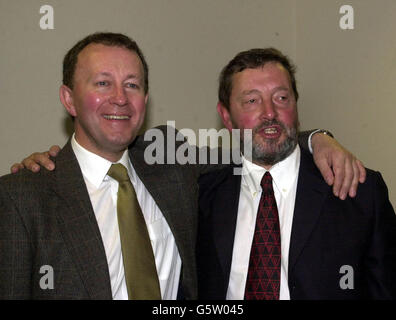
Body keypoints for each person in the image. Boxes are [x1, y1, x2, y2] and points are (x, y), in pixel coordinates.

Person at [2, 32, 365, 300]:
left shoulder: (171, 162)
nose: (119, 98)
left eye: (132, 85)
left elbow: (256, 143)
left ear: (145, 99)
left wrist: (317, 139)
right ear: (69, 98)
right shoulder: (22, 197)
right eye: (102, 83)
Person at [196, 48, 396, 300]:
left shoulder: (358, 191)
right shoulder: (201, 196)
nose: (269, 113)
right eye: (252, 101)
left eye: (281, 98)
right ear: (226, 116)